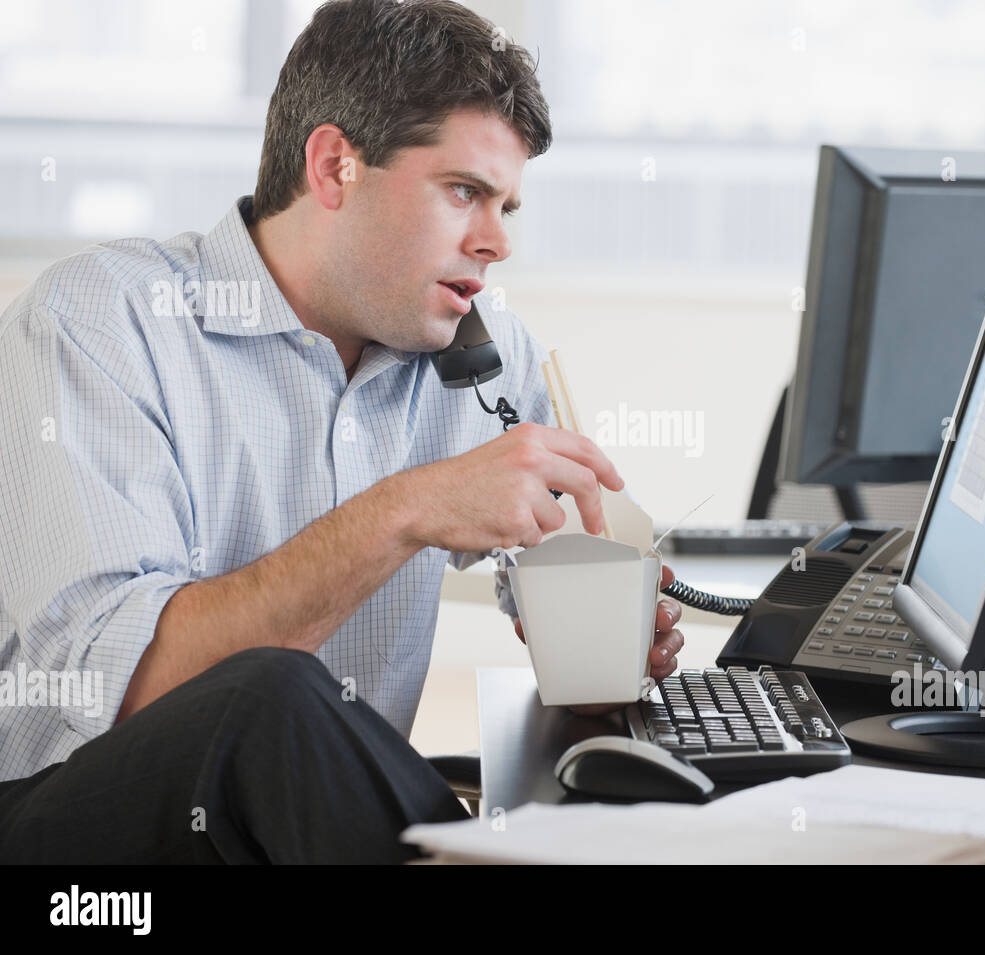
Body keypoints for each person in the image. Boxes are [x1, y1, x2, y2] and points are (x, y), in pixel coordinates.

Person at [0, 0, 685, 863]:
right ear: (335, 167)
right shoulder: (101, 323)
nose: (496, 241)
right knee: (271, 692)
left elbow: (538, 574)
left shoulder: (485, 353)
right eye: (465, 192)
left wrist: (595, 635)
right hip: (71, 823)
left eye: (507, 206)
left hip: (304, 825)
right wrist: (407, 509)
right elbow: (137, 689)